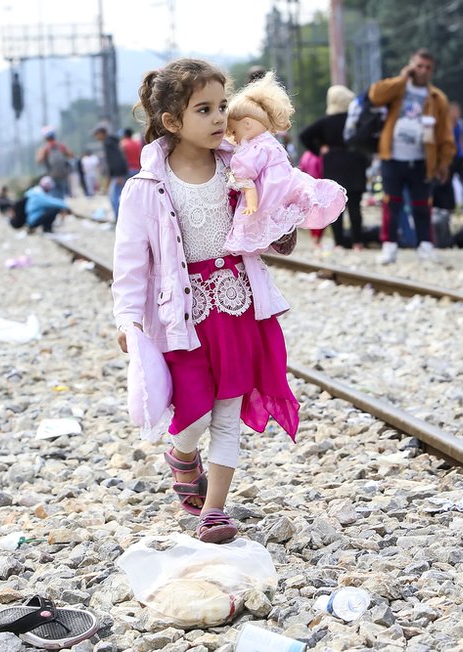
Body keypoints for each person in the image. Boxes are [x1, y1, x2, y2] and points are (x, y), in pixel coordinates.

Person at [112, 59, 300, 544]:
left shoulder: (240, 169)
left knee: (227, 412)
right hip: (184, 316)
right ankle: (182, 453)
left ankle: (214, 510)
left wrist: (284, 219)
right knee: (192, 412)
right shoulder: (146, 188)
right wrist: (128, 319)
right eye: (204, 110)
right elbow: (131, 263)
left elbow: (268, 223)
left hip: (237, 307)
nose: (220, 119)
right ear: (173, 122)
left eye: (222, 106)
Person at [222, 72, 345, 255]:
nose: (233, 136)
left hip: (270, 189)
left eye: (233, 130)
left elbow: (246, 178)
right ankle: (284, 237)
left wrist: (251, 204)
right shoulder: (270, 141)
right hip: (288, 181)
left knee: (261, 217)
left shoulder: (252, 149)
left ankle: (279, 237)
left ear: (247, 124)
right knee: (286, 210)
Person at [368, 48, 456, 264]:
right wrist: (402, 78)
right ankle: (389, 246)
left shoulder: (437, 98)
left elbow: (445, 133)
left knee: (422, 204)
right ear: (411, 65)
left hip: (421, 159)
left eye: (427, 68)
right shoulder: (397, 89)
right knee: (391, 203)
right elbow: (375, 95)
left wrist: (444, 162)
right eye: (419, 66)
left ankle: (425, 245)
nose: (423, 71)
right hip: (393, 155)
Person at [298, 85, 369, 249]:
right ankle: (357, 242)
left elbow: (304, 135)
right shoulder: (355, 120)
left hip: (333, 163)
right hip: (354, 162)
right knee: (355, 206)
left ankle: (339, 242)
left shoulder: (325, 122)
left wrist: (319, 149)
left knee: (335, 205)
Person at [431, 101, 463, 217]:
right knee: (447, 181)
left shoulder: (460, 123)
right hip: (450, 157)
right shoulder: (445, 123)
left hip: (460, 157)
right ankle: (450, 205)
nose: (457, 114)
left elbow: (461, 141)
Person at [93, 123, 129, 221]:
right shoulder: (112, 142)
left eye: (96, 134)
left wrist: (118, 176)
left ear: (101, 133)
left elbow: (115, 160)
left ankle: (119, 220)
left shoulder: (108, 143)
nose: (95, 137)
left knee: (114, 198)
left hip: (118, 175)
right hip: (119, 173)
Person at [35, 128, 73, 198]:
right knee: (62, 192)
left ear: (45, 138)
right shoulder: (60, 146)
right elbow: (71, 155)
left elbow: (39, 161)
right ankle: (61, 204)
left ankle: (57, 205)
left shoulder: (45, 148)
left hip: (52, 174)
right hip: (63, 174)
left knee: (54, 193)